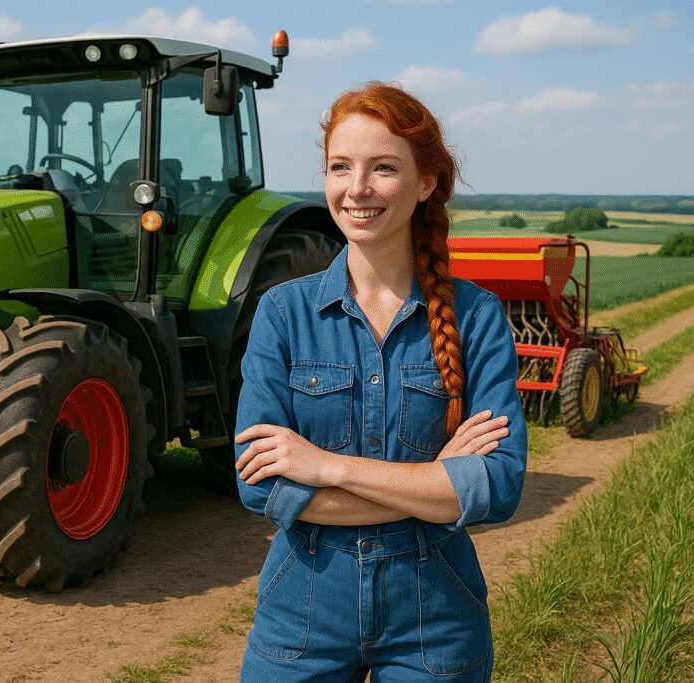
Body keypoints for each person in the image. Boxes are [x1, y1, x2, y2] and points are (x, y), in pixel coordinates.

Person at [233, 82, 527, 681]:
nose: (357, 188)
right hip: (303, 613)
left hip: (436, 617)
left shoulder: (476, 318)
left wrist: (326, 467)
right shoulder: (282, 314)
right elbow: (263, 489)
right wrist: (433, 486)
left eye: (383, 167)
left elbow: (494, 487)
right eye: (340, 167)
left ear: (425, 184)